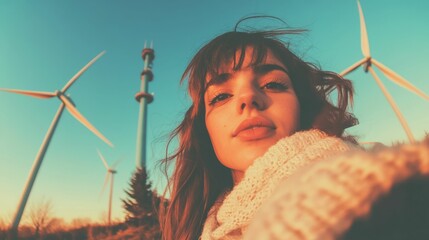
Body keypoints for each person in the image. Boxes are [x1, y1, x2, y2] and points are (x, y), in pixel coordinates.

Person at [159, 17, 359, 240]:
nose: (248, 97)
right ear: (204, 131)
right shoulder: (203, 230)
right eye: (221, 96)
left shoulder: (378, 196)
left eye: (273, 84)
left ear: (302, 105)